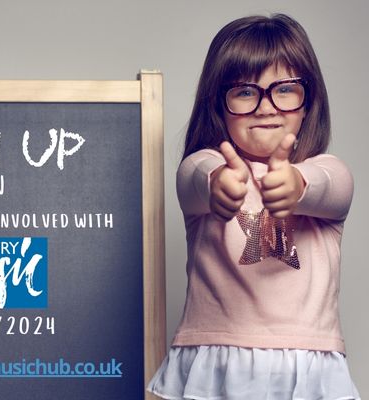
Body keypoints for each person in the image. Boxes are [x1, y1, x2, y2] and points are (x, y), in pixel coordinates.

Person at [147, 14, 361, 400]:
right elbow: (195, 178)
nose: (266, 107)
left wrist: (297, 187)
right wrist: (219, 186)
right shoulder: (204, 165)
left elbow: (333, 187)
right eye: (245, 92)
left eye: (285, 89)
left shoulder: (326, 170)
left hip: (307, 364)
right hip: (215, 360)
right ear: (218, 103)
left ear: (308, 101)